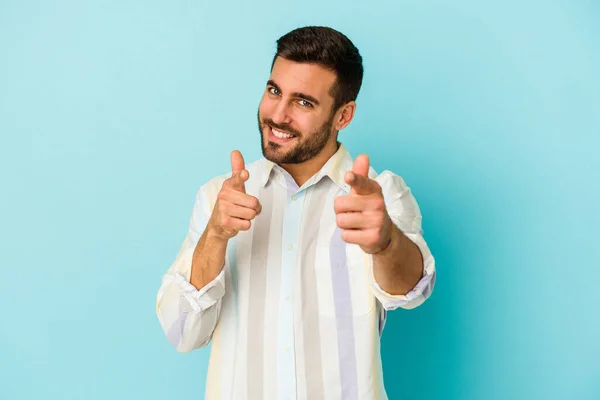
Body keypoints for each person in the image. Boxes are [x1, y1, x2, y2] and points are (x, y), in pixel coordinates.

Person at [156, 25, 436, 400]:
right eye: (274, 91)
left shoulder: (379, 196)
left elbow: (411, 292)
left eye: (304, 102)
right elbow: (183, 333)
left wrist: (385, 243)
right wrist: (215, 237)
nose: (278, 114)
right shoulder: (218, 197)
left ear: (343, 115)